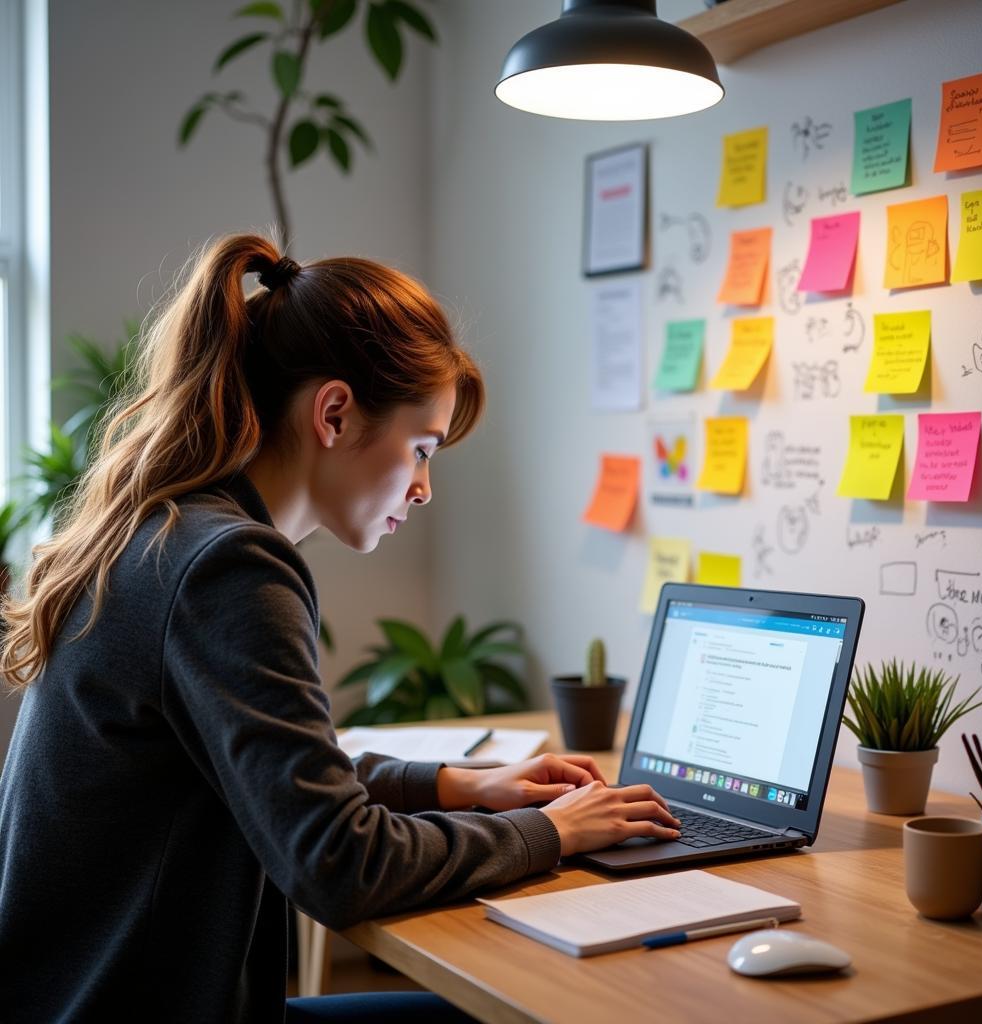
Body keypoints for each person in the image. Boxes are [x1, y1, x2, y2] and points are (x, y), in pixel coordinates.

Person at [0, 233, 681, 1023]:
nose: (425, 488)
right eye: (422, 448)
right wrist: (547, 833)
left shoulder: (162, 532)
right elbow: (337, 862)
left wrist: (455, 786)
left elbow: (279, 785)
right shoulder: (228, 568)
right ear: (333, 412)